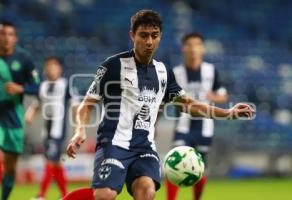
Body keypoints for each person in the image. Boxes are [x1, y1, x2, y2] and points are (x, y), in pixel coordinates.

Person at [64, 10, 254, 200]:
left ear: (160, 37)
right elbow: (87, 104)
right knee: (105, 195)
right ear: (132, 36)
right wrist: (80, 130)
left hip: (144, 147)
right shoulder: (112, 66)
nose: (149, 42)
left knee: (147, 192)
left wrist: (228, 112)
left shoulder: (164, 72)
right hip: (114, 144)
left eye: (154, 36)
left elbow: (189, 104)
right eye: (143, 35)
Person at [165, 32, 228, 200]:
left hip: (205, 128)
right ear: (183, 49)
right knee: (174, 161)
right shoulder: (176, 73)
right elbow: (163, 99)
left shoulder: (211, 71)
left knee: (200, 167)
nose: (193, 49)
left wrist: (212, 96)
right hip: (183, 126)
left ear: (202, 48)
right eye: (189, 45)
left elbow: (223, 95)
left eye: (197, 45)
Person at [0, 21, 40, 200]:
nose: (6, 38)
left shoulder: (24, 59)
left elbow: (37, 87)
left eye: (10, 34)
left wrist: (20, 89)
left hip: (14, 119)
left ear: (15, 38)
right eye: (2, 34)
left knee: (10, 168)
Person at [25, 57, 77, 200]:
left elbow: (75, 105)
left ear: (60, 68)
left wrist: (79, 126)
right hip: (46, 130)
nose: (50, 69)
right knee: (55, 162)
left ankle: (41, 195)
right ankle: (65, 195)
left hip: (58, 131)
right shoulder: (43, 86)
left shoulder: (66, 84)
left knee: (49, 160)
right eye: (48, 66)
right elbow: (37, 103)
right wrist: (29, 114)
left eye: (53, 66)